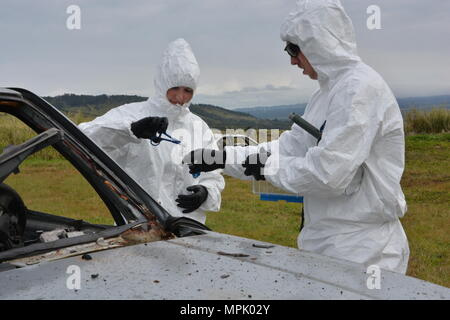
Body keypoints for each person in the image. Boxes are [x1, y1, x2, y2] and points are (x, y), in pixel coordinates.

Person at [186, 0, 410, 273]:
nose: (292, 60)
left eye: (295, 49)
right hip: (326, 240)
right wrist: (222, 158)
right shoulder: (326, 94)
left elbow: (328, 174)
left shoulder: (359, 90)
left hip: (362, 249)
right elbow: (289, 147)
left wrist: (267, 168)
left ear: (319, 44)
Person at [79, 38, 225, 224]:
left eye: (188, 90)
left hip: (188, 228)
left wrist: (206, 192)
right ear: (162, 84)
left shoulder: (199, 127)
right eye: (174, 88)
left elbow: (212, 173)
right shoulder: (131, 115)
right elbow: (83, 139)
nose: (181, 97)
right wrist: (129, 130)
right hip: (138, 227)